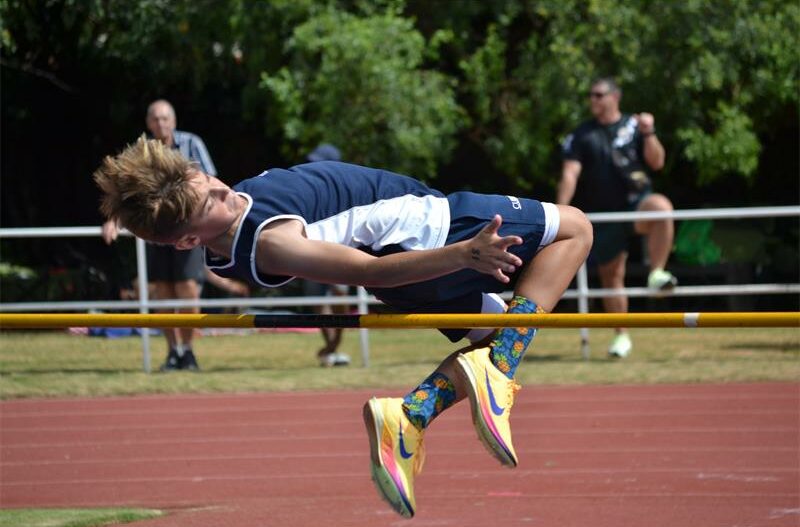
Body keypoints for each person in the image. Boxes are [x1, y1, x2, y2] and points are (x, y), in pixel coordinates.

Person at [94, 136, 593, 518]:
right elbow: (367, 272)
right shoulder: (271, 243)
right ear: (186, 243)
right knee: (575, 227)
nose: (220, 190)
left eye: (201, 178)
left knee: (497, 333)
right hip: (428, 232)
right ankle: (499, 370)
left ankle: (409, 417)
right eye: (209, 205)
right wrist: (464, 254)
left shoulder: (224, 222)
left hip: (411, 266)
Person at [558, 77, 677, 359]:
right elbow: (569, 173)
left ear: (616, 96)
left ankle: (657, 272)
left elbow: (657, 162)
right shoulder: (582, 134)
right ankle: (621, 336)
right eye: (591, 95)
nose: (594, 100)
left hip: (637, 204)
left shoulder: (635, 126)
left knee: (661, 206)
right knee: (612, 278)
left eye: (599, 94)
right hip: (605, 213)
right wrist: (558, 212)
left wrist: (649, 132)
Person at [102, 99, 222, 371]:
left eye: (165, 118)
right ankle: (173, 351)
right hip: (155, 232)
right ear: (148, 123)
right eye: (156, 119)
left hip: (188, 229)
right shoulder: (141, 150)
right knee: (163, 294)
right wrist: (114, 218)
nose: (161, 124)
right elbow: (124, 194)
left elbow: (211, 183)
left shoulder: (192, 144)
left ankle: (189, 350)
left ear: (174, 120)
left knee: (188, 290)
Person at [303, 143, 352, 367]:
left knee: (339, 300)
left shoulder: (344, 187)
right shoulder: (306, 185)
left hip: (337, 252)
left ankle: (333, 347)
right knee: (318, 303)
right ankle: (331, 348)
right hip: (311, 252)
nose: (312, 167)